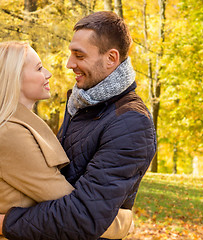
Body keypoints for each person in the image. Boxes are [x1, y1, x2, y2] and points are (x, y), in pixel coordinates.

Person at [1, 11, 157, 240]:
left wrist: (5, 222)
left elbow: (83, 216)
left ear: (111, 58)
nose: (68, 64)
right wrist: (122, 223)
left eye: (79, 55)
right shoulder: (82, 104)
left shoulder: (130, 122)